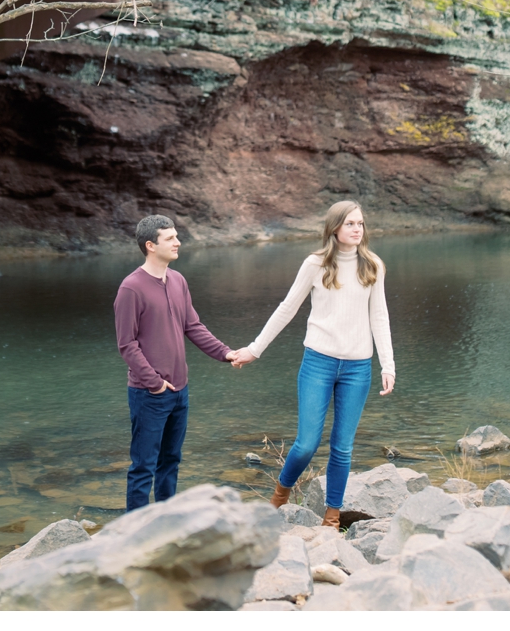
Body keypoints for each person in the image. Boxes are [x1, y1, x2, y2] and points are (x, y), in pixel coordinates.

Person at [229, 201, 395, 530]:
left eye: (361, 223)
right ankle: (280, 495)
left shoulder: (372, 265)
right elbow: (287, 308)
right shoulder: (315, 264)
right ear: (334, 228)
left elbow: (379, 316)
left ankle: (332, 517)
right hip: (318, 363)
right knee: (306, 443)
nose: (357, 229)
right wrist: (254, 349)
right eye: (350, 224)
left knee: (342, 447)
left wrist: (387, 364)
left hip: (358, 368)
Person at [114, 214, 246, 511]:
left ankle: (167, 521)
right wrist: (155, 383)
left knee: (171, 460)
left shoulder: (178, 280)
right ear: (150, 245)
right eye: (170, 238)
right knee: (143, 466)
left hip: (180, 391)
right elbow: (127, 344)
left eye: (176, 236)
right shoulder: (131, 288)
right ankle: (134, 532)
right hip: (150, 393)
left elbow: (193, 326)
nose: (178, 242)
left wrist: (225, 353)